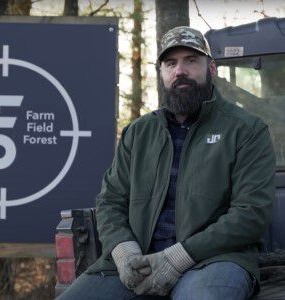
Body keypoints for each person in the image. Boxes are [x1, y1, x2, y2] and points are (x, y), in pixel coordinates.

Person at [57, 26, 275, 300]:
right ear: (161, 73)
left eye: (191, 61)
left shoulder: (246, 130)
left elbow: (251, 213)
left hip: (214, 261)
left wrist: (178, 257)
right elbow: (110, 201)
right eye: (171, 63)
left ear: (212, 68)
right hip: (138, 263)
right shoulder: (138, 133)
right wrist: (125, 253)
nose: (180, 71)